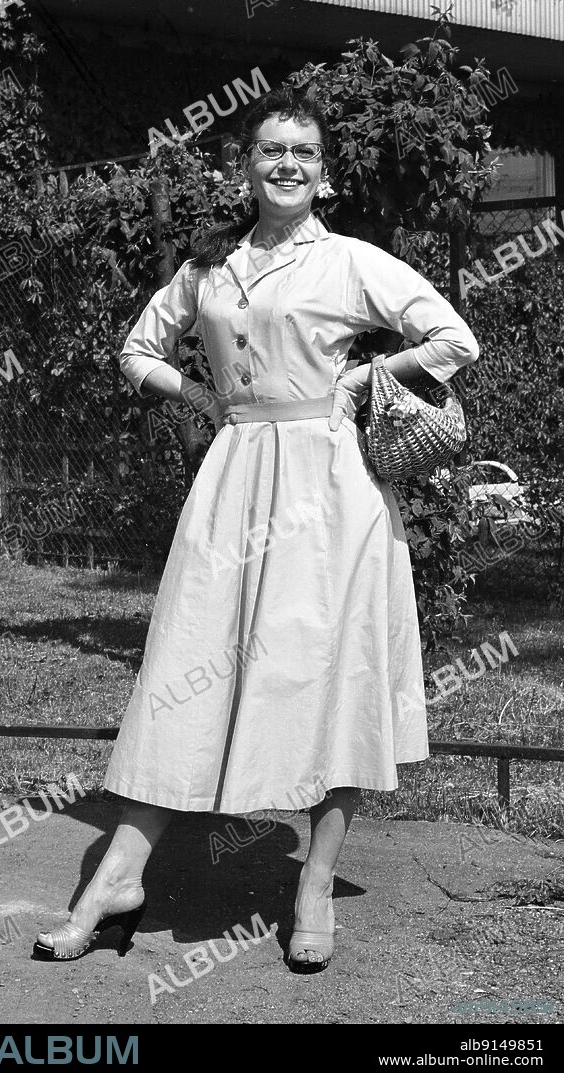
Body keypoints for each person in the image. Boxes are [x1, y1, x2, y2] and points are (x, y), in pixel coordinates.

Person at [34, 86, 479, 973]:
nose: (286, 164)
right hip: (233, 478)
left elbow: (452, 337)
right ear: (246, 164)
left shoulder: (351, 262)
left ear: (324, 171)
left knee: (330, 675)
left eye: (303, 153)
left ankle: (314, 880)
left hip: (329, 490)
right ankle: (117, 877)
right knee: (182, 671)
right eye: (270, 149)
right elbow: (136, 349)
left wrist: (360, 381)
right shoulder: (209, 268)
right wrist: (202, 396)